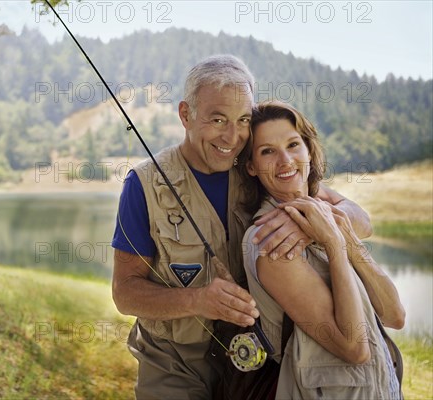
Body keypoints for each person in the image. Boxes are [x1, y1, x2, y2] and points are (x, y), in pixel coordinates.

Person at [111, 55, 372, 399]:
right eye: (218, 119)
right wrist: (198, 300)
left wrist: (313, 227)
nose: (232, 137)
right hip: (172, 364)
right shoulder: (143, 185)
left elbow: (359, 217)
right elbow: (125, 293)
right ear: (186, 115)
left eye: (243, 120)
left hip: (256, 363)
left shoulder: (257, 165)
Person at [238, 100, 405, 399]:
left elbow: (395, 315)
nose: (286, 160)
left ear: (309, 150)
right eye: (267, 151)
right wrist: (335, 245)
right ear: (251, 166)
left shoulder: (327, 213)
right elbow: (353, 348)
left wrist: (344, 239)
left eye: (293, 144)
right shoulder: (270, 240)